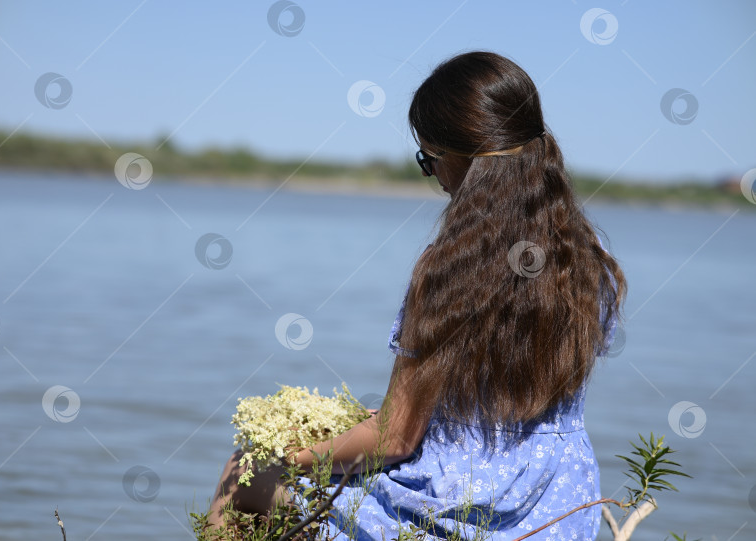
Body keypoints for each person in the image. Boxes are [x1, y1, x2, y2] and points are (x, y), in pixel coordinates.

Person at [208, 50, 626, 540]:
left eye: (429, 160)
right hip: (558, 510)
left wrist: (286, 451)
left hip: (457, 509)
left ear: (462, 160)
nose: (435, 178)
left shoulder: (452, 272)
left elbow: (397, 438)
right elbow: (497, 412)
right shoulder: (588, 260)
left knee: (248, 472)